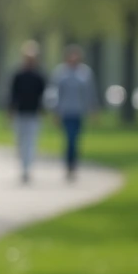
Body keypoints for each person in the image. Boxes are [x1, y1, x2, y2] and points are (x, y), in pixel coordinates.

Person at [50, 44, 97, 182]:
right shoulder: (60, 73)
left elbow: (90, 93)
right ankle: (69, 164)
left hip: (78, 112)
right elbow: (55, 93)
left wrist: (93, 109)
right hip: (65, 112)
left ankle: (73, 163)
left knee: (75, 140)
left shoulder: (85, 73)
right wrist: (55, 111)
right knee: (69, 139)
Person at [7, 41, 48, 184]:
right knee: (20, 142)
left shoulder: (39, 76)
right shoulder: (18, 74)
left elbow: (44, 95)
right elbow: (12, 94)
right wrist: (10, 111)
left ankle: (27, 169)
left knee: (30, 142)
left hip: (33, 113)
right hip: (20, 112)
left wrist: (44, 110)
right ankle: (23, 166)